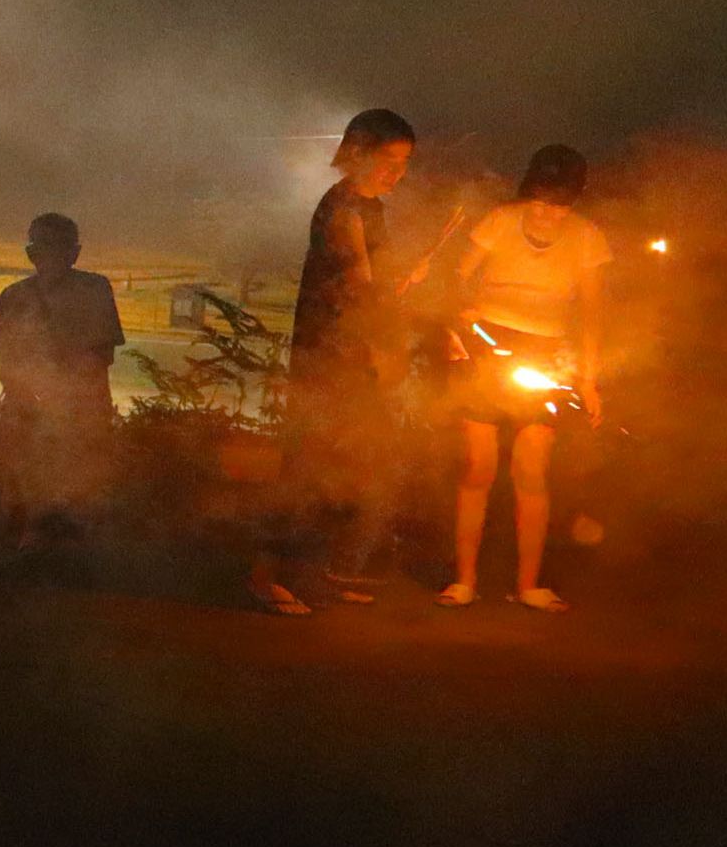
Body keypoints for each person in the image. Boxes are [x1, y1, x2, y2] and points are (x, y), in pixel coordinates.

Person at [254, 108, 424, 615]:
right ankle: (268, 576)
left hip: (356, 356)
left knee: (343, 467)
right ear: (357, 154)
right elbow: (359, 291)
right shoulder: (345, 208)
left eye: (405, 161)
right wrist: (387, 340)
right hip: (327, 355)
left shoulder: (373, 209)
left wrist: (401, 286)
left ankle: (314, 573)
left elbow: (376, 285)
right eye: (387, 159)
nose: (397, 172)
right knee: (307, 463)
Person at [439, 145, 612, 613]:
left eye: (559, 204)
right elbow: (457, 279)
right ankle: (464, 581)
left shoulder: (587, 239)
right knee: (478, 466)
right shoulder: (499, 221)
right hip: (485, 344)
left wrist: (588, 379)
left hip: (545, 352)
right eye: (539, 200)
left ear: (573, 202)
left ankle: (529, 584)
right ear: (527, 192)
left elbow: (593, 314)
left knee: (531, 470)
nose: (547, 213)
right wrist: (459, 323)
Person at [0, 214, 125, 557]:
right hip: (32, 406)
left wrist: (57, 394)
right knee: (22, 466)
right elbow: (8, 366)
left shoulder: (92, 291)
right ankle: (20, 533)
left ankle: (55, 538)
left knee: (76, 476)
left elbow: (98, 357)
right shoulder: (16, 297)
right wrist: (33, 394)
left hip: (78, 408)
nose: (52, 256)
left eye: (57, 248)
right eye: (46, 248)